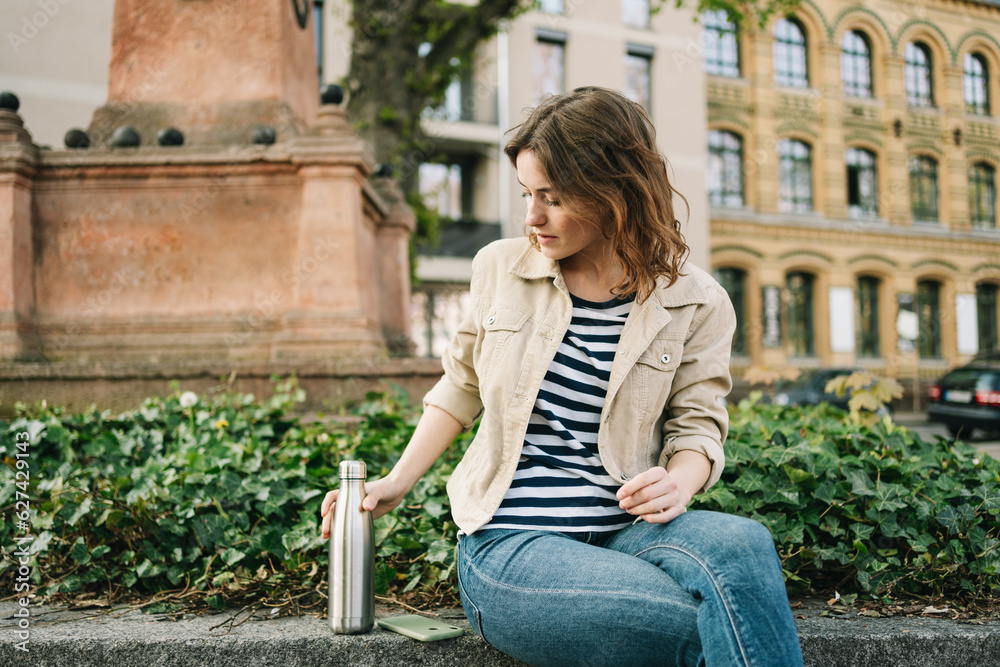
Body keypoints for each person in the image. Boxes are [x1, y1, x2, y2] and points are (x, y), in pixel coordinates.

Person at [320, 86, 803, 667]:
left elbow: (699, 427)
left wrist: (680, 481)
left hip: (631, 533)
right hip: (514, 546)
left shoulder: (697, 301)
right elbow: (461, 384)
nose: (532, 217)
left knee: (744, 543)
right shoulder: (500, 268)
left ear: (613, 192)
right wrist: (395, 482)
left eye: (551, 197)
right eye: (527, 194)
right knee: (696, 622)